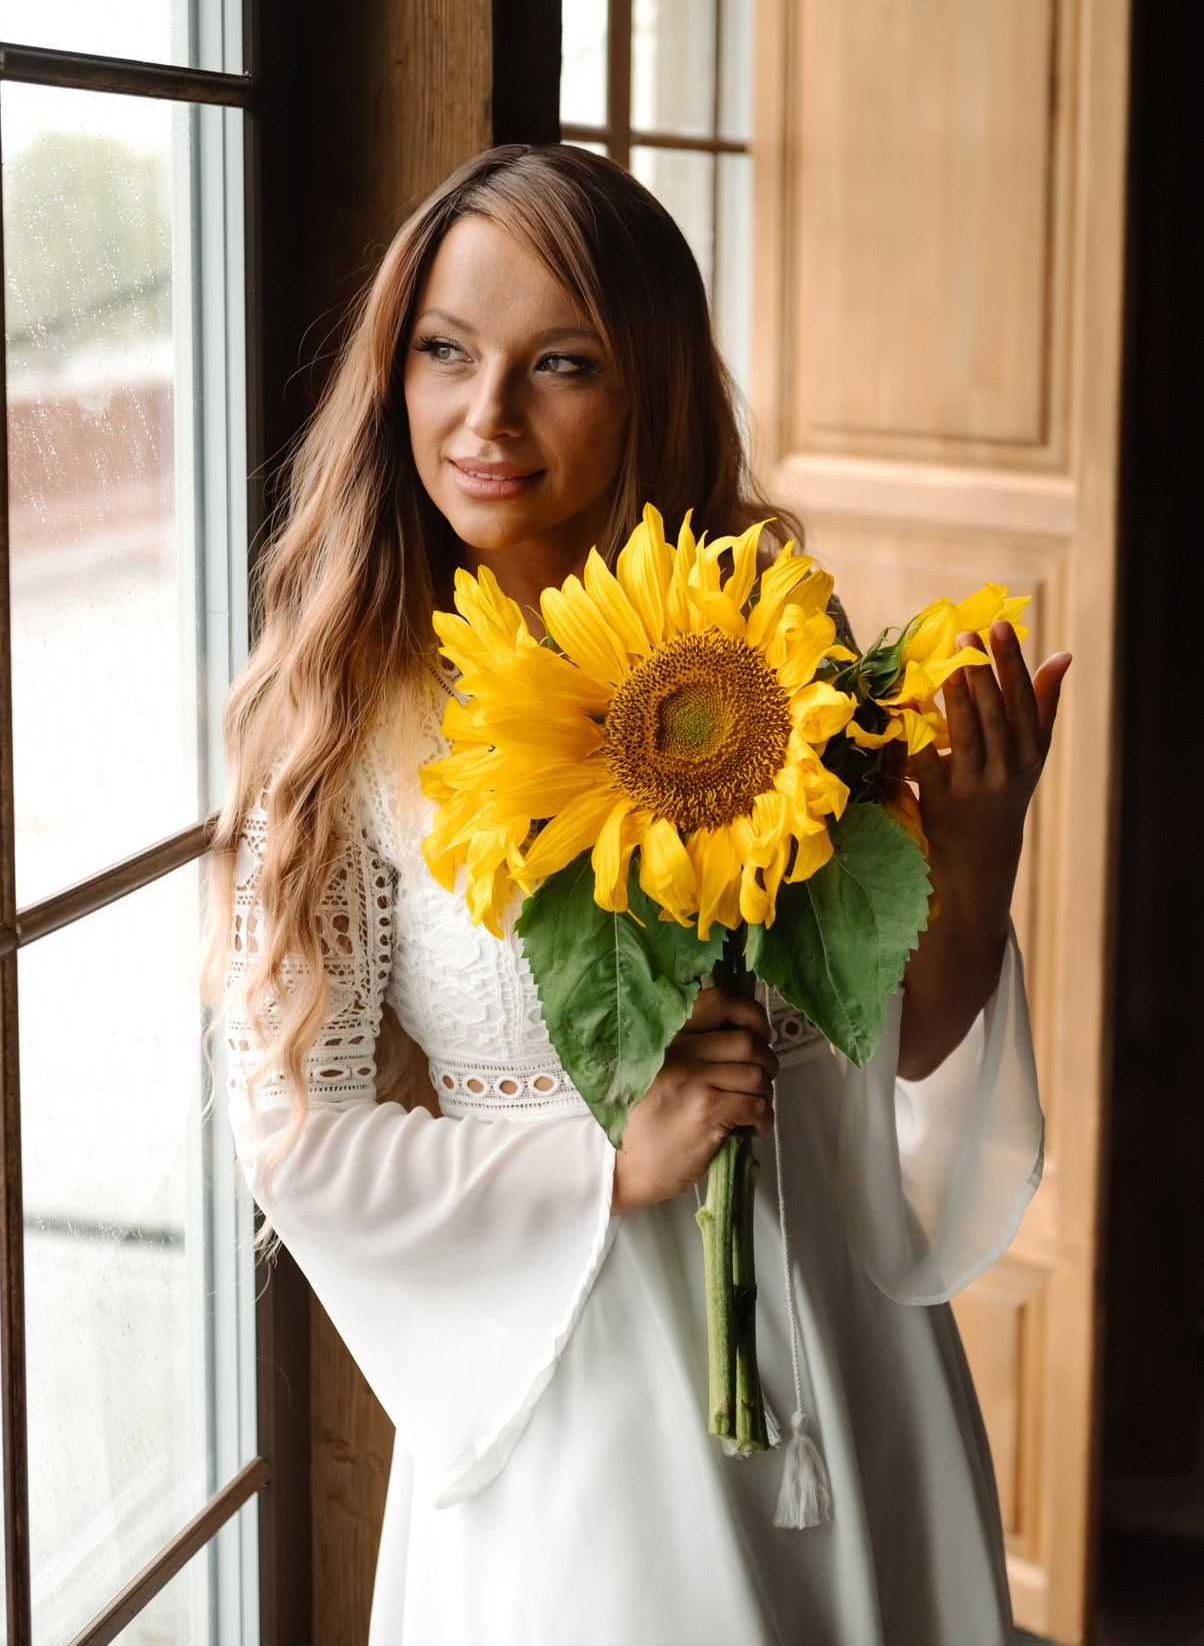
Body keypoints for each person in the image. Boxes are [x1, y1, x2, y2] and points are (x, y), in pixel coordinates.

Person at [210, 143, 1069, 1645]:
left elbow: (890, 1039)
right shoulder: (345, 718)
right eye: (445, 352)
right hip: (569, 1405)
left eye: (561, 363)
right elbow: (296, 1137)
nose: (487, 417)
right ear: (393, 366)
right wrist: (606, 1163)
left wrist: (979, 848)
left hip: (839, 1372)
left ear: (650, 380)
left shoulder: (774, 647)